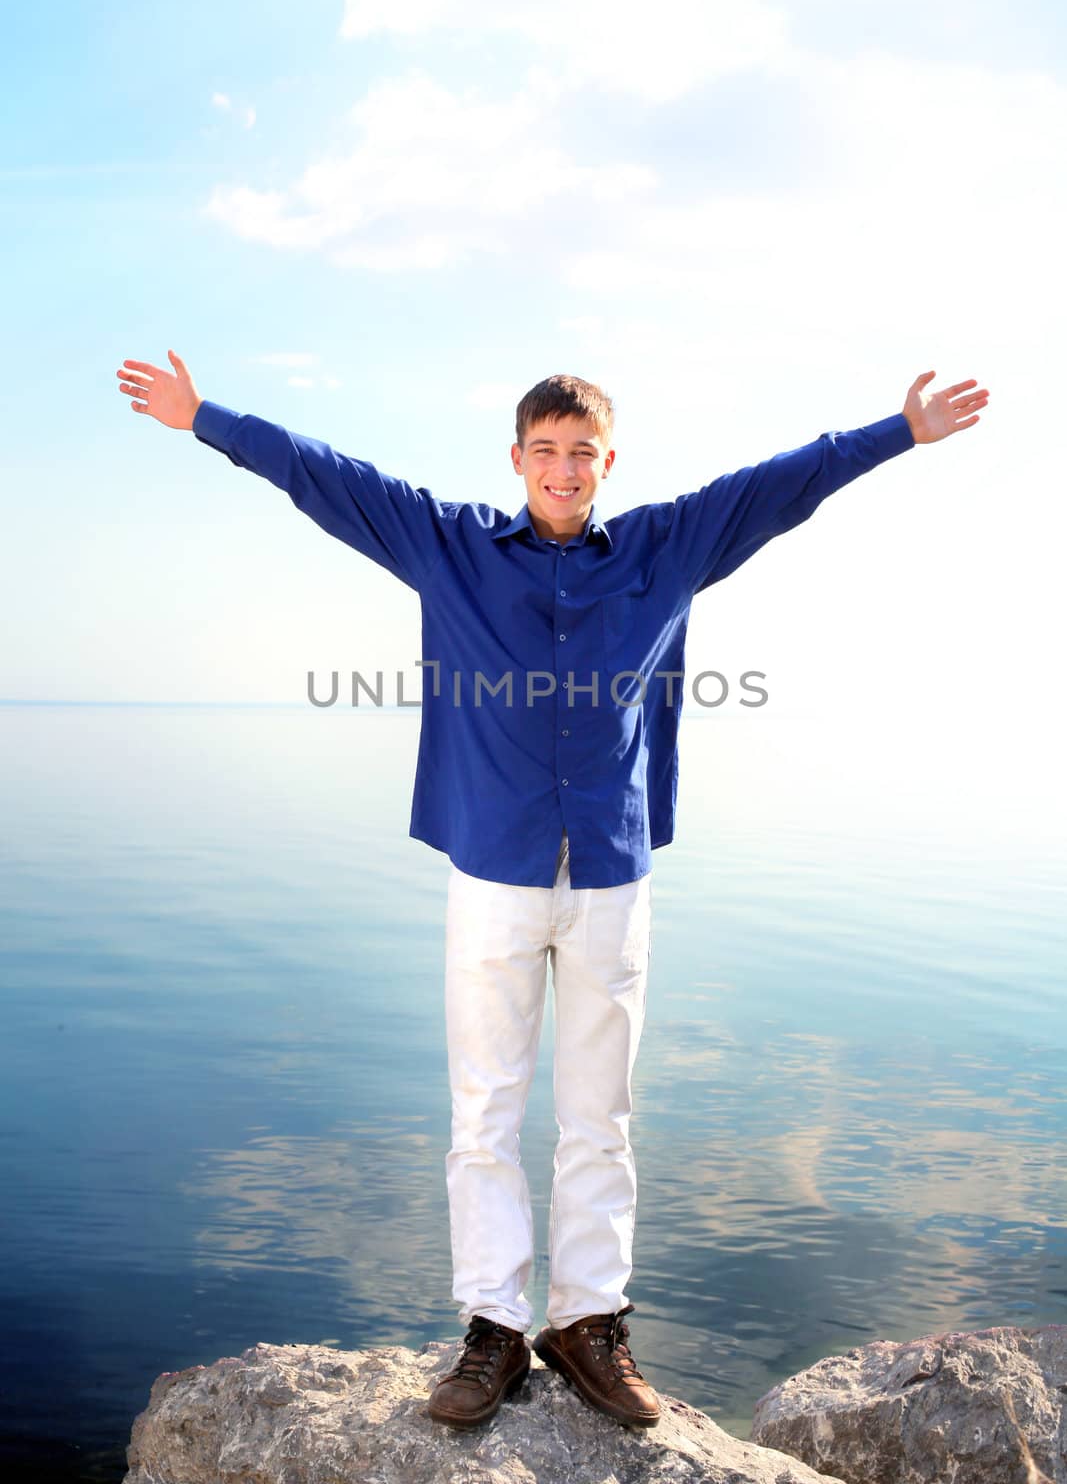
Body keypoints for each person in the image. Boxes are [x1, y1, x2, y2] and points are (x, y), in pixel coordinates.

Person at [115, 350, 987, 1432]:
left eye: (582, 452)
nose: (563, 469)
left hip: (611, 874)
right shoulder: (449, 546)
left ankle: (585, 1323)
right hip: (493, 869)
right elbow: (323, 474)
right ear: (517, 459)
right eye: (545, 451)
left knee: (598, 1117)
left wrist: (895, 432)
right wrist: (204, 417)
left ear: (605, 461)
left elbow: (780, 484)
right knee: (483, 1111)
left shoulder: (667, 547)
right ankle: (490, 1326)